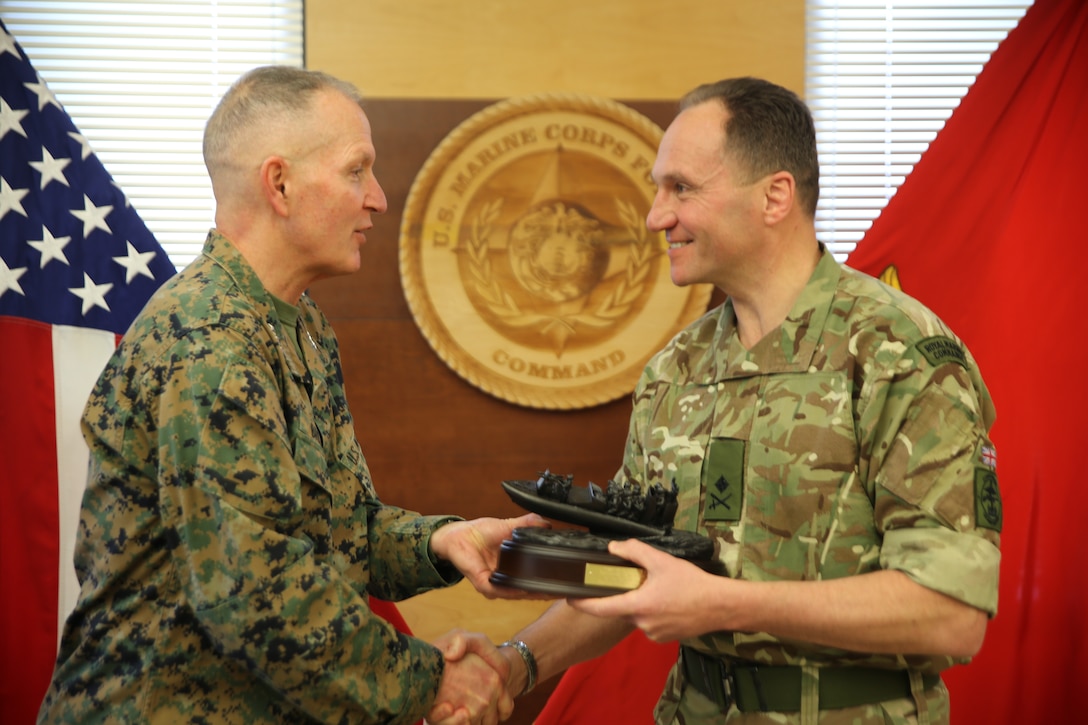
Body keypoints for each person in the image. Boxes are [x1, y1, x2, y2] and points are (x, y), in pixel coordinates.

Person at [36, 65, 546, 725]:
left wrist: (441, 540)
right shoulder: (209, 341)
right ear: (279, 183)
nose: (378, 199)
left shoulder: (297, 325)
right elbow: (253, 592)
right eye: (356, 171)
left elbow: (336, 526)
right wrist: (432, 680)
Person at [496, 77, 1001, 725]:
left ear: (775, 196)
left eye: (681, 187)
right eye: (658, 189)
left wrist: (725, 602)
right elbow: (629, 571)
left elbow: (950, 614)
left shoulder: (898, 354)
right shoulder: (674, 370)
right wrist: (514, 662)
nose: (656, 215)